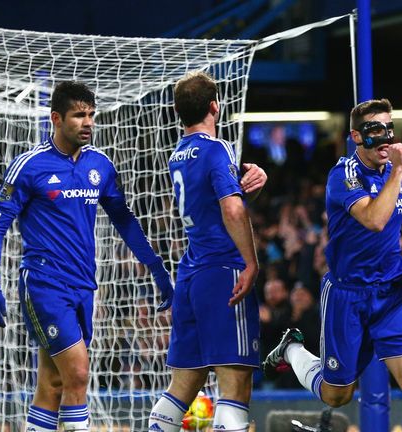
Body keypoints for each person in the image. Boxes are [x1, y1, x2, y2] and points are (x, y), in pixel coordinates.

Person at [0, 81, 174, 432]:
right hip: (44, 284)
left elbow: (125, 220)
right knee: (79, 374)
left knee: (52, 385)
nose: (88, 122)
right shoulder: (29, 166)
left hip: (84, 286)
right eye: (79, 115)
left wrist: (157, 269)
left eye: (91, 115)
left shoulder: (100, 165)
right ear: (56, 118)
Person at [263, 98, 402, 431]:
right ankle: (292, 349)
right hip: (347, 296)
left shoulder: (396, 176)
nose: (385, 138)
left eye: (389, 129)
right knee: (337, 395)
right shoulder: (343, 175)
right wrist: (399, 170)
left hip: (391, 293)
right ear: (356, 136)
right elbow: (375, 219)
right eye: (374, 130)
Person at [148, 71, 267, 432]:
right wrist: (251, 262)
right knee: (235, 385)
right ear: (215, 106)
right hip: (223, 271)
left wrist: (249, 189)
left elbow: (220, 206)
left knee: (184, 384)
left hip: (191, 272)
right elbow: (231, 211)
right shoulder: (217, 148)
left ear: (178, 111)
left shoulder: (178, 155)